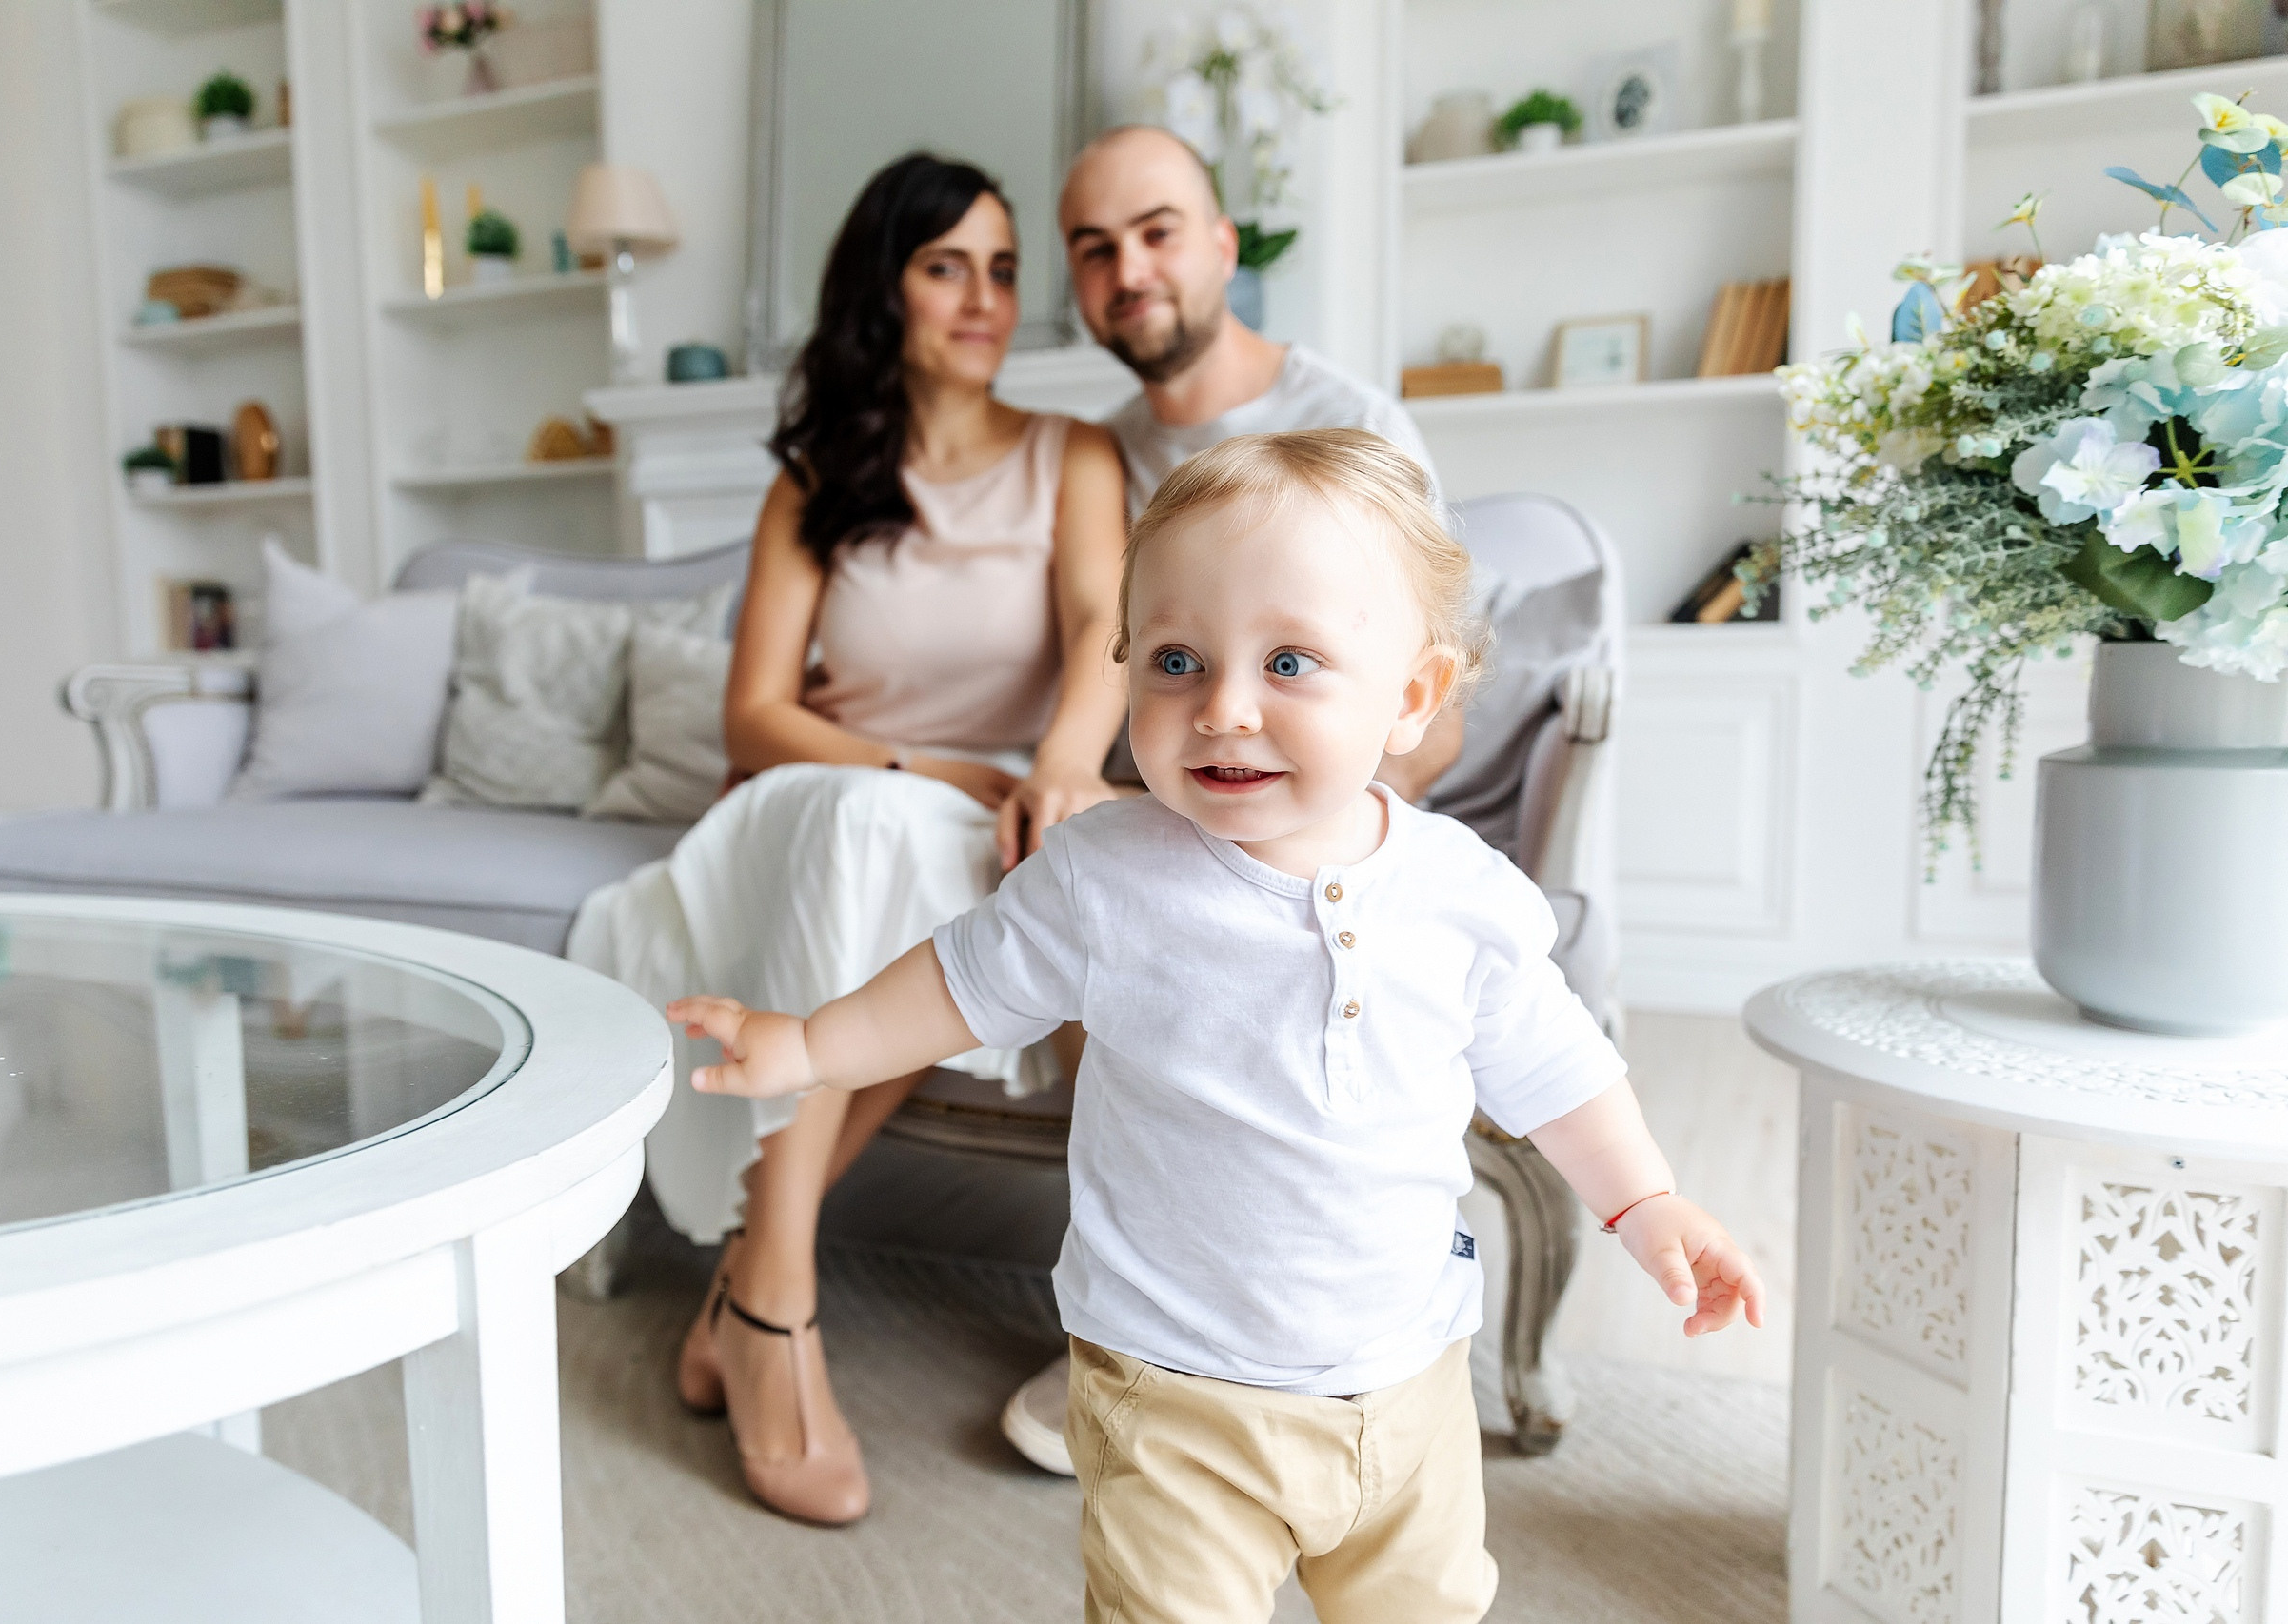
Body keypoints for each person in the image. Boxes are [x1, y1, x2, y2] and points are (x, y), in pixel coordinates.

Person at [667, 430, 1764, 1624]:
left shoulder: (1462, 891)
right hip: (1173, 1390)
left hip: (1409, 1378)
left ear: (1412, 697)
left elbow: (1553, 1064)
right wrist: (810, 1045)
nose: (1223, 708)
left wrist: (1645, 1199)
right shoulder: (1106, 874)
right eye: (1177, 660)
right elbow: (953, 982)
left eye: (1289, 660)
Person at [566, 152, 1128, 1526]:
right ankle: (779, 1299)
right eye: (949, 266)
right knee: (879, 831)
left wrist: (1056, 765)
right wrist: (917, 760)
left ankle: (754, 1285)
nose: (987, 298)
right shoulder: (816, 479)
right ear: (887, 288)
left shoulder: (1076, 455)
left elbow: (1109, 630)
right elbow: (755, 715)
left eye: (1004, 268)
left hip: (985, 814)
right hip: (816, 799)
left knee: (947, 865)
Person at [991, 120, 1471, 1475]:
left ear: (1220, 246)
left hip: (1335, 802)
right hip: (1157, 804)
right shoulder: (1097, 456)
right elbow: (1099, 648)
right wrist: (1074, 778)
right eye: (1094, 250)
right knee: (1110, 879)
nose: (1127, 269)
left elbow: (1424, 687)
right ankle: (1143, 1317)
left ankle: (1330, 1319)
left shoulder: (1353, 422)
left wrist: (1319, 822)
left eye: (1154, 232)